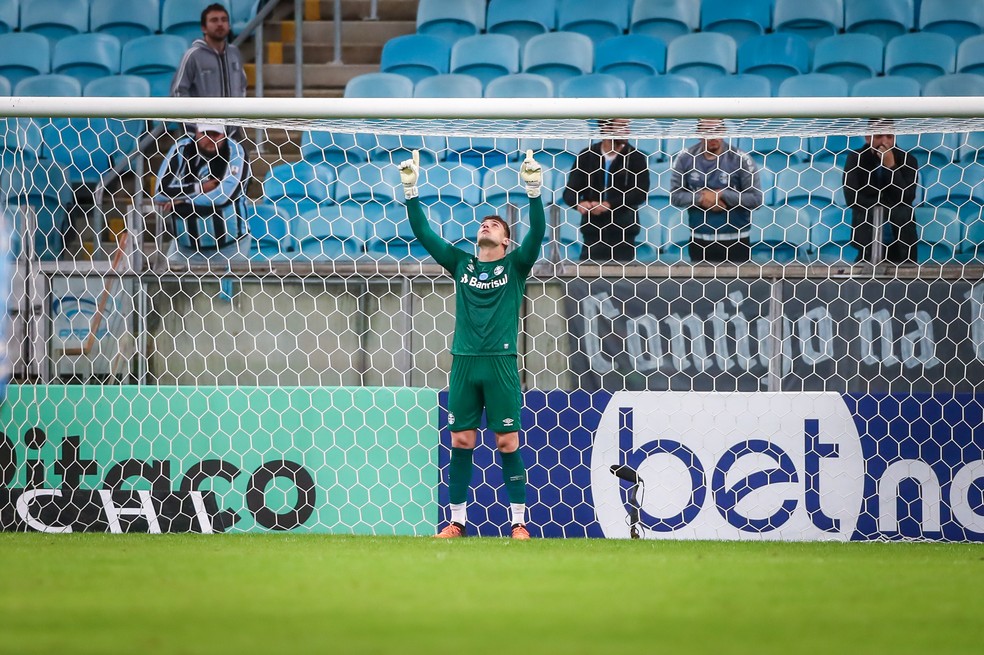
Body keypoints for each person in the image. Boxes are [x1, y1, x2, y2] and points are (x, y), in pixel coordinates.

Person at [399, 149, 544, 540]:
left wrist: (534, 192)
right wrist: (411, 191)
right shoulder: (462, 264)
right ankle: (457, 521)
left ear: (506, 241)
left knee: (507, 439)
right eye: (484, 222)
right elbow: (425, 235)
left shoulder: (516, 265)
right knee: (461, 440)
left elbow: (537, 235)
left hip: (500, 362)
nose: (487, 225)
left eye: (496, 224)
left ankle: (518, 523)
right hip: (463, 362)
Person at [154, 123, 251, 265]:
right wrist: (201, 188)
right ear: (196, 132)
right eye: (205, 134)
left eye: (215, 135)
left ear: (224, 134)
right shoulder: (182, 149)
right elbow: (160, 194)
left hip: (231, 248)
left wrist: (182, 203)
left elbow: (223, 196)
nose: (210, 139)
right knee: (171, 286)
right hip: (184, 249)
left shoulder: (236, 152)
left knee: (230, 287)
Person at [670, 118, 763, 263]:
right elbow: (675, 197)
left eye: (717, 130)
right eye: (707, 131)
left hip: (736, 241)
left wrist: (722, 194)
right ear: (698, 133)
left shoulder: (741, 159)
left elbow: (756, 200)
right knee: (700, 286)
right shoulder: (685, 158)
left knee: (737, 286)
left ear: (724, 131)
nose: (713, 136)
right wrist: (701, 198)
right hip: (699, 240)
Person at [562, 118, 650, 262]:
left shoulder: (635, 157)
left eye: (627, 126)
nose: (627, 131)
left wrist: (608, 205)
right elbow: (569, 192)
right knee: (589, 278)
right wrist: (580, 204)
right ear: (606, 129)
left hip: (623, 231)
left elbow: (640, 193)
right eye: (622, 126)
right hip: (592, 231)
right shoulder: (587, 156)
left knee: (622, 280)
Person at [842, 122, 919, 264]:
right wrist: (883, 206)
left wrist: (891, 167)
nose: (884, 141)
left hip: (902, 240)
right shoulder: (855, 158)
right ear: (867, 137)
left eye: (889, 136)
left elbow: (907, 197)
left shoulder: (908, 160)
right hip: (867, 237)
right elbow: (852, 198)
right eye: (878, 136)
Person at [172, 3, 247, 140]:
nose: (220, 24)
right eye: (214, 20)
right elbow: (178, 92)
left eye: (224, 20)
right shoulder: (192, 55)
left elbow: (242, 86)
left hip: (233, 134)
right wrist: (194, 128)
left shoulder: (235, 53)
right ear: (203, 28)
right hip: (203, 135)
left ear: (229, 25)